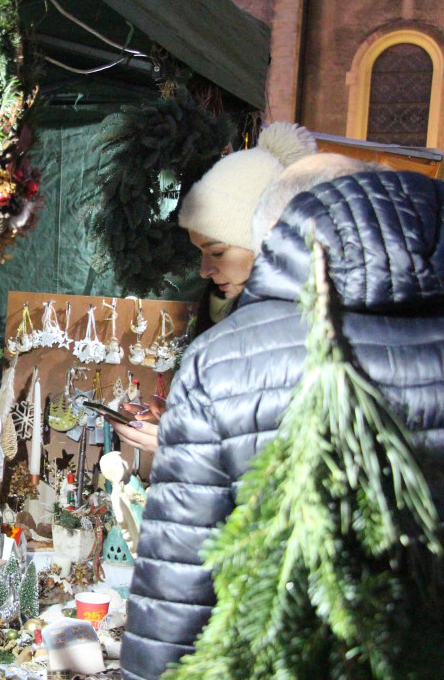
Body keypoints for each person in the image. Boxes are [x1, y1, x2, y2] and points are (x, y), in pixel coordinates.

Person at [120, 165, 444, 680]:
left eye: (218, 250)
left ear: (277, 235)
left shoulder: (224, 359)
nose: (205, 270)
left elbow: (177, 597)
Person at [109, 122, 318, 457]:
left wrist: (186, 446)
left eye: (217, 252)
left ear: (268, 238)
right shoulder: (241, 318)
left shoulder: (305, 331)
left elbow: (285, 458)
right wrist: (186, 421)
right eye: (202, 254)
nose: (206, 271)